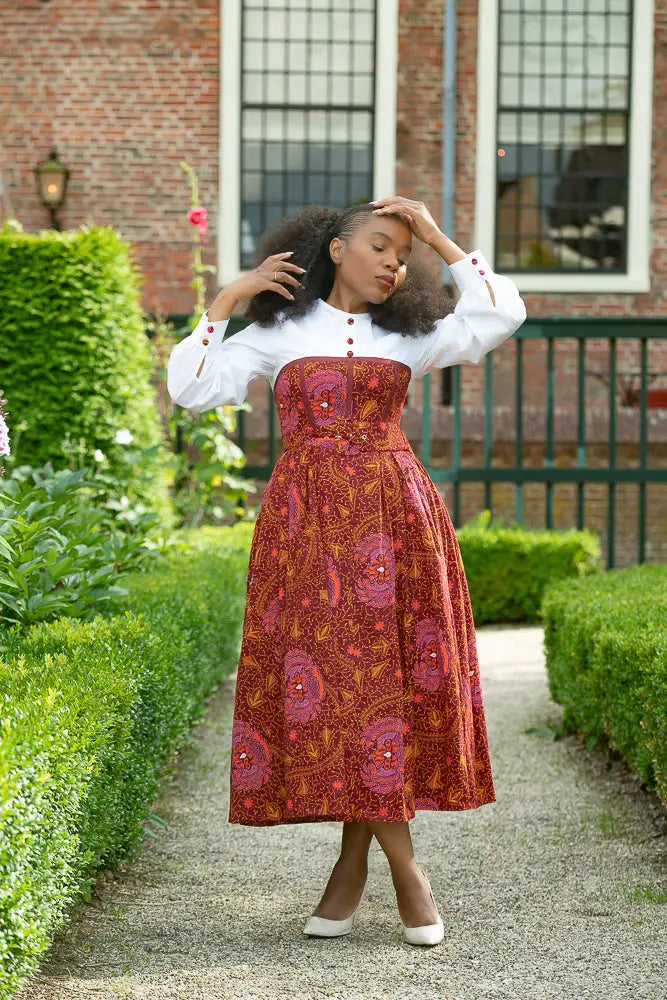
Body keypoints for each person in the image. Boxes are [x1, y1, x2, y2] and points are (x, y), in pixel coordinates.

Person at [167, 197, 527, 946]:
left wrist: (438, 238)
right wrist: (227, 299)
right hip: (307, 530)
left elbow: (501, 314)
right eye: (381, 246)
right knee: (342, 687)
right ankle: (405, 872)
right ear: (336, 248)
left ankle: (355, 870)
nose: (394, 263)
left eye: (403, 255)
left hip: (397, 523)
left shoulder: (412, 336)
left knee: (382, 687)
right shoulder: (279, 332)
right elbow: (192, 389)